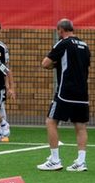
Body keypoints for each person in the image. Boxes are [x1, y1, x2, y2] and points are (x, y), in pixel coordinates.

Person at [38, 19, 91, 172]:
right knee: (80, 126)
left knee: (51, 121)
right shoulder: (85, 46)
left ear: (61, 30)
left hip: (65, 92)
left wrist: (55, 65)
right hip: (82, 93)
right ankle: (81, 162)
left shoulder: (63, 43)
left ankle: (55, 160)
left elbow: (45, 63)